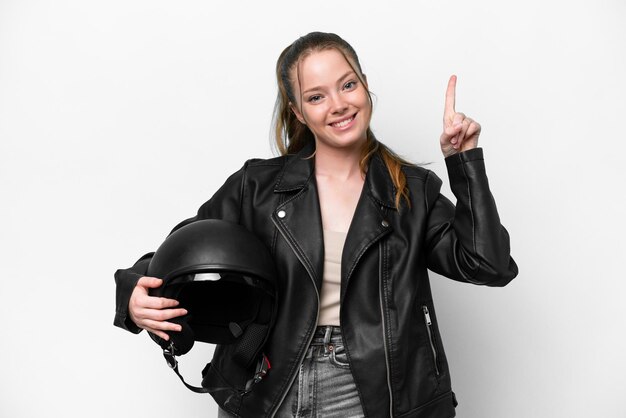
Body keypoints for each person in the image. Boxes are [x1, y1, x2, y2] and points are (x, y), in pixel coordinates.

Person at [114, 31, 518, 418]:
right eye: (316, 96)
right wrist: (135, 290)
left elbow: (488, 265)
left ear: (364, 85)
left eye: (347, 85)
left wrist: (464, 161)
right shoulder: (257, 187)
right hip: (267, 381)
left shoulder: (411, 191)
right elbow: (183, 249)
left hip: (373, 389)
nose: (338, 105)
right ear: (298, 111)